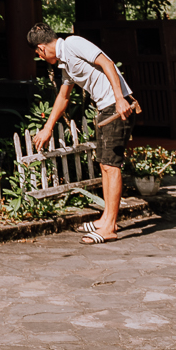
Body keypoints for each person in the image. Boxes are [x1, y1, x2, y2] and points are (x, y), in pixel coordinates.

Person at [28, 23, 142, 243]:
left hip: (116, 107)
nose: (39, 58)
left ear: (41, 48)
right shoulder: (66, 64)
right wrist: (47, 128)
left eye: (37, 54)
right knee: (104, 164)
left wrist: (119, 98)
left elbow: (106, 63)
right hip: (106, 108)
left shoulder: (73, 43)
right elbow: (64, 97)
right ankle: (106, 218)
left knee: (111, 165)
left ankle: (109, 227)